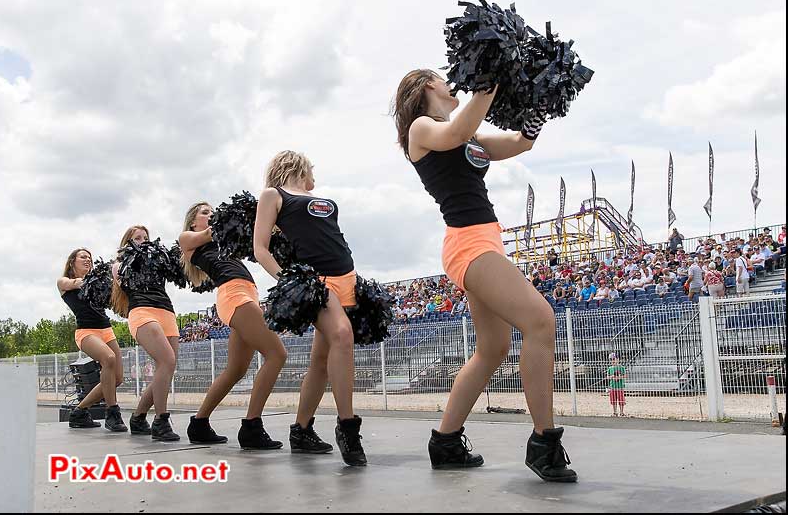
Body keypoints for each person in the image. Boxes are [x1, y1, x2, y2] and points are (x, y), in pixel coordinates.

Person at [392, 69, 576, 481]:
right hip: (467, 244)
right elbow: (456, 133)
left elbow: (519, 143)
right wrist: (487, 80)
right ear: (426, 87)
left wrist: (539, 108)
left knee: (492, 348)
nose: (452, 84)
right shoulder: (422, 129)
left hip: (485, 242)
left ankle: (446, 442)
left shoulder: (469, 134)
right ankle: (544, 443)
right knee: (541, 320)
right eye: (444, 79)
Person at [254, 150, 367, 467]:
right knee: (343, 336)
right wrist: (291, 281)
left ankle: (301, 430)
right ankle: (348, 428)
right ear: (301, 167)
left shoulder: (322, 200)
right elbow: (260, 248)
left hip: (346, 277)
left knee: (321, 360)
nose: (315, 177)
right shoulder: (273, 195)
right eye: (312, 169)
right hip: (314, 281)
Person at [180, 202, 287, 448]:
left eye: (212, 211)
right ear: (193, 221)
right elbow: (211, 231)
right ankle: (252, 426)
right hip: (234, 295)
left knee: (236, 370)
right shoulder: (188, 238)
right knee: (277, 354)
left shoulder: (223, 242)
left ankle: (199, 424)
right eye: (204, 212)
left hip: (248, 294)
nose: (211, 215)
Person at [110, 225, 180, 441]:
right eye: (137, 238)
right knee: (166, 360)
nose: (143, 240)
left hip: (166, 311)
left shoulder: (159, 260)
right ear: (127, 243)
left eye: (145, 237)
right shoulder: (118, 265)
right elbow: (123, 277)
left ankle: (139, 417)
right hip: (142, 311)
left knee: (167, 368)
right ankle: (161, 420)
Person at [58, 248, 127, 432]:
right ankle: (112, 412)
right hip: (86, 332)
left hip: (106, 329)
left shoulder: (98, 282)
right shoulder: (64, 282)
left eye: (90, 258)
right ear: (72, 261)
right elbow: (75, 283)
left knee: (117, 378)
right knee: (109, 358)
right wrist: (93, 279)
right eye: (83, 257)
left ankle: (79, 412)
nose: (88, 260)